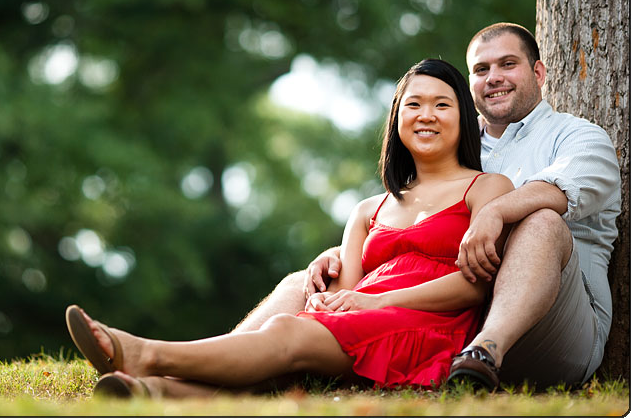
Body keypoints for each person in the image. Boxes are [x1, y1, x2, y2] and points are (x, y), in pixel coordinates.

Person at [66, 58, 515, 397]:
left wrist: (367, 301)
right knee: (282, 344)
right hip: (359, 322)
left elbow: (472, 288)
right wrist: (329, 297)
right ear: (397, 120)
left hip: (428, 329)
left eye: (442, 104)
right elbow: (347, 289)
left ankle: (146, 354)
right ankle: (154, 392)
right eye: (413, 104)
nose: (427, 115)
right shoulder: (366, 210)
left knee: (285, 331)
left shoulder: (486, 187)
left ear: (464, 119)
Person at [236, 23, 621, 391]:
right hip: (450, 319)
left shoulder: (579, 137)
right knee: (304, 283)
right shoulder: (455, 139)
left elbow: (559, 190)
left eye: (508, 64)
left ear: (538, 72)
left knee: (541, 222)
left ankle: (484, 353)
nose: (494, 77)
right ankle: (215, 368)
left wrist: (495, 211)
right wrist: (343, 253)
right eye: (481, 69)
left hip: (551, 324)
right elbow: (420, 228)